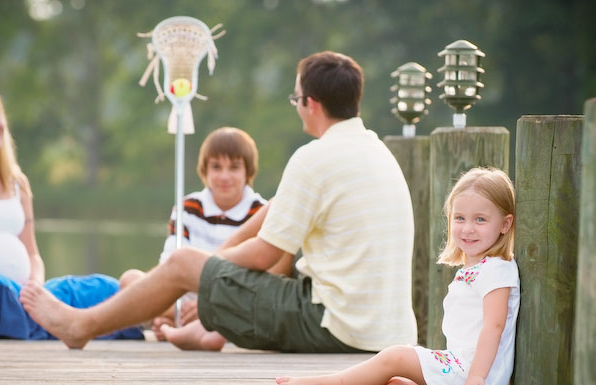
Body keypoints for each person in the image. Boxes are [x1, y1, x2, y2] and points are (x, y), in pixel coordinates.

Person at [20, 51, 417, 353]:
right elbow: (275, 213)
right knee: (199, 260)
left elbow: (265, 255)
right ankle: (198, 324)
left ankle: (81, 327)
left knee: (179, 261)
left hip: (334, 326)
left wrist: (198, 272)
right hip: (384, 332)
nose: (296, 105)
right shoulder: (374, 151)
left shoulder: (313, 159)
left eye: (295, 97)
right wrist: (207, 276)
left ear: (310, 103)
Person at [0, 82, 141, 340]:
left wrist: (36, 291)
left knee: (103, 290)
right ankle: (57, 324)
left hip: (18, 295)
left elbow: (32, 254)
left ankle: (46, 320)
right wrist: (2, 288)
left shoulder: (17, 182)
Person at [276, 167, 519, 385]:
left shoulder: (496, 270)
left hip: (477, 375)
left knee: (396, 356)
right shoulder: (477, 269)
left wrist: (476, 376)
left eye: (480, 219)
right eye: (460, 218)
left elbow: (493, 326)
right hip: (464, 367)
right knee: (405, 353)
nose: (468, 228)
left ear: (505, 224)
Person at [118, 127, 267, 344]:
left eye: (234, 167)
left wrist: (207, 304)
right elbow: (168, 263)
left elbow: (256, 275)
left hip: (229, 299)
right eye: (216, 167)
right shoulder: (188, 207)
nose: (225, 176)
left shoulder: (260, 211)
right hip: (182, 292)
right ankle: (172, 319)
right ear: (205, 170)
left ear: (248, 171)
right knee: (130, 280)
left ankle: (185, 323)